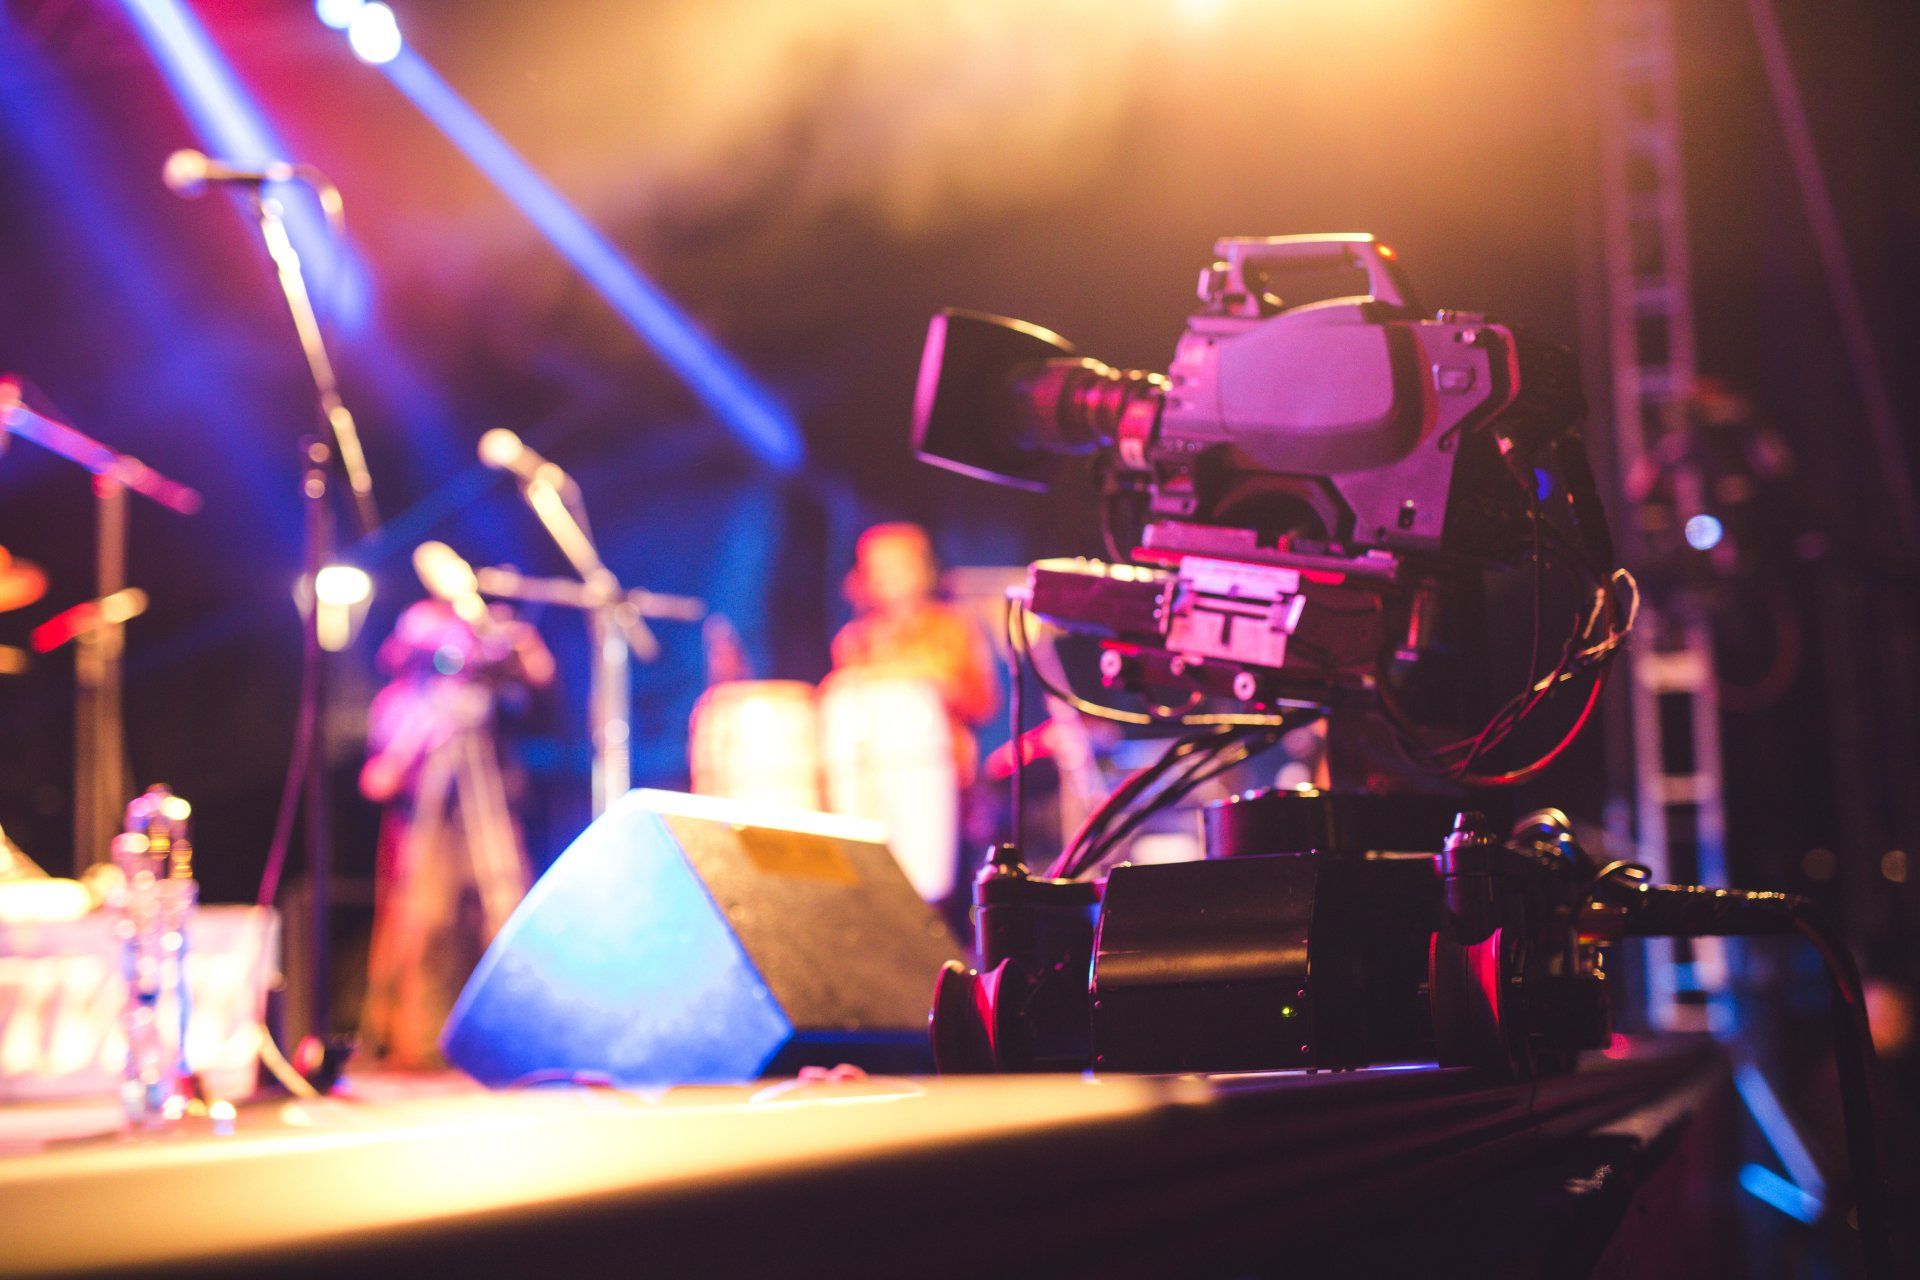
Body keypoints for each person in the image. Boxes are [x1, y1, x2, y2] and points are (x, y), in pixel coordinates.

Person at [358, 598, 553, 1069]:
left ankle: (518, 1040)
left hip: (489, 823)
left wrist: (506, 637)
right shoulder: (400, 703)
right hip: (428, 831)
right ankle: (420, 1046)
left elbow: (539, 677)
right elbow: (377, 781)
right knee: (429, 927)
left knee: (506, 919)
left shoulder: (488, 698)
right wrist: (423, 736)